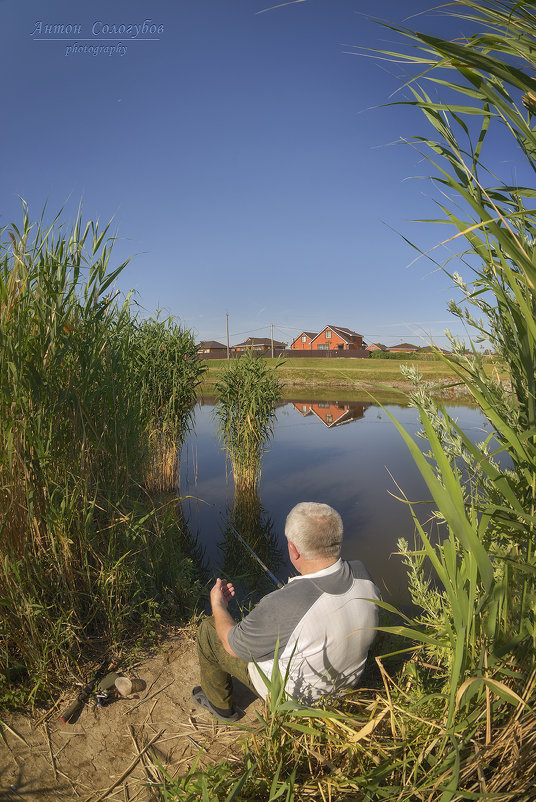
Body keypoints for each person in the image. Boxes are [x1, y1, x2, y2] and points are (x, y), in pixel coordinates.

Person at [192, 501, 380, 722]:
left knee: (208, 630)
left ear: (293, 549)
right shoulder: (362, 572)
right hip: (345, 687)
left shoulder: (282, 605)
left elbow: (233, 646)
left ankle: (221, 708)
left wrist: (218, 605)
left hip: (297, 701)